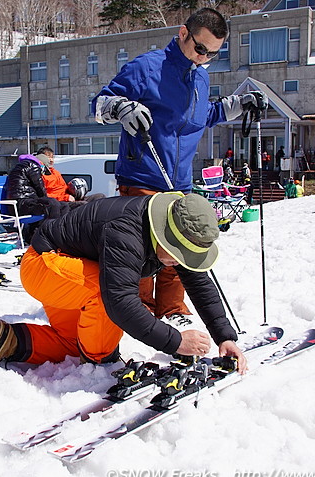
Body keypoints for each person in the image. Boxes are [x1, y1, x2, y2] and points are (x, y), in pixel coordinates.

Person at [91, 7, 267, 326]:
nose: (202, 58)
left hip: (180, 182)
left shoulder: (201, 76)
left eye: (211, 54)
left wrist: (238, 105)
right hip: (143, 173)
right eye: (200, 48)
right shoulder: (147, 67)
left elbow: (202, 118)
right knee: (145, 248)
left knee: (178, 246)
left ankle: (172, 309)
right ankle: (140, 309)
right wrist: (119, 106)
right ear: (183, 33)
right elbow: (99, 104)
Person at [0, 192, 248, 374]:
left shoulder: (169, 228)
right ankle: (101, 364)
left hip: (69, 272)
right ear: (165, 235)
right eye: (178, 254)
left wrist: (225, 336)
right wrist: (176, 342)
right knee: (106, 299)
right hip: (44, 265)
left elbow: (198, 282)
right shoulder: (127, 231)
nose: (179, 262)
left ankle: (7, 340)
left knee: (77, 343)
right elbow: (120, 302)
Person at [5, 153, 70, 221]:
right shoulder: (32, 166)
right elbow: (40, 188)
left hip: (20, 204)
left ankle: (60, 227)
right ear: (41, 163)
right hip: (22, 204)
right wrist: (47, 199)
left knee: (63, 205)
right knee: (52, 204)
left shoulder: (22, 166)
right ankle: (53, 228)